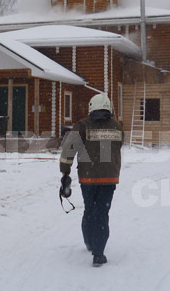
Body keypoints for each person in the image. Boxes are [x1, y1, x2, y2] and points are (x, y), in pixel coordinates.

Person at [60, 93, 123, 267]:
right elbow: (118, 146)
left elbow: (68, 150)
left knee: (90, 209)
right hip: (109, 178)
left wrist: (65, 171)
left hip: (88, 178)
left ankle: (89, 241)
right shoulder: (117, 127)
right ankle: (98, 253)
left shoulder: (82, 125)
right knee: (102, 213)